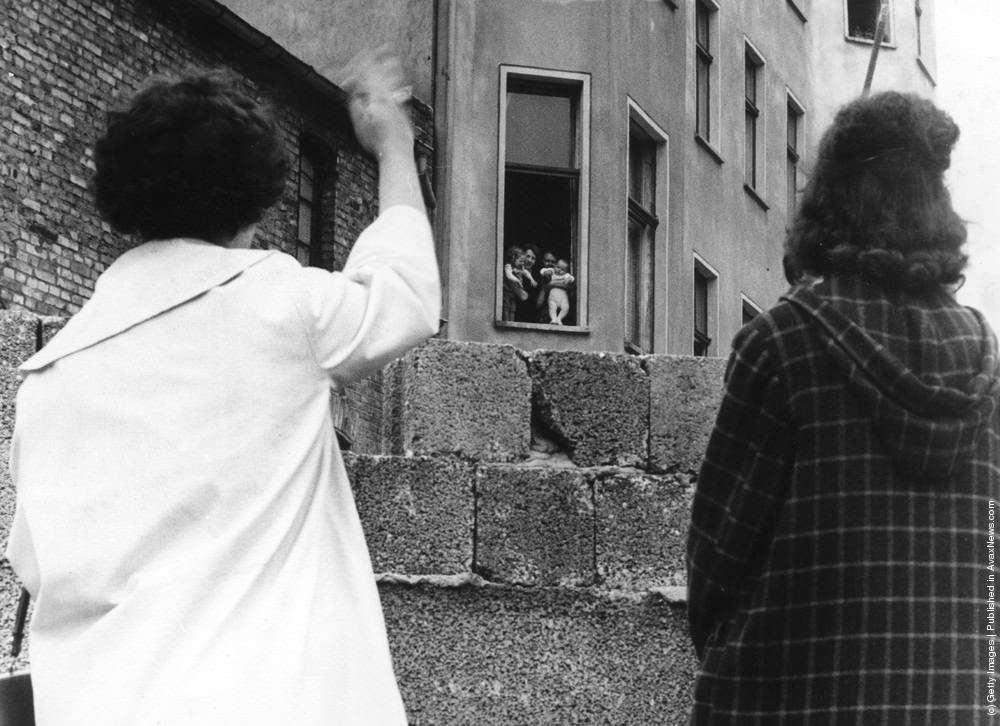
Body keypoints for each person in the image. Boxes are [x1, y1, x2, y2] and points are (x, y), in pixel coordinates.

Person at [5, 51, 439, 725]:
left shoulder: (50, 377)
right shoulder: (279, 303)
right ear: (254, 202)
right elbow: (405, 293)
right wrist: (394, 149)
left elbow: (37, 564)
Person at [688, 91, 999, 723]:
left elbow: (715, 568)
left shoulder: (782, 344)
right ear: (935, 207)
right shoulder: (989, 372)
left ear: (831, 204)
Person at [538, 258, 574, 325]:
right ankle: (553, 319)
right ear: (555, 266)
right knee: (552, 307)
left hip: (563, 298)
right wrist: (545, 272)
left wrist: (569, 279)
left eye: (562, 269)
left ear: (566, 271)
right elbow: (542, 270)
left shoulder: (566, 275)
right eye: (558, 267)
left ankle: (559, 318)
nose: (559, 270)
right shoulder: (552, 272)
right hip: (553, 298)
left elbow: (572, 278)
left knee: (566, 307)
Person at [502, 245, 530, 321]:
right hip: (507, 290)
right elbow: (509, 275)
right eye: (520, 261)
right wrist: (517, 280)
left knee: (513, 308)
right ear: (513, 258)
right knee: (506, 306)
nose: (522, 263)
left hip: (514, 291)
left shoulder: (520, 267)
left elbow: (525, 273)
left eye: (523, 261)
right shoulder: (508, 266)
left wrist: (531, 279)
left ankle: (512, 322)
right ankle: (507, 321)